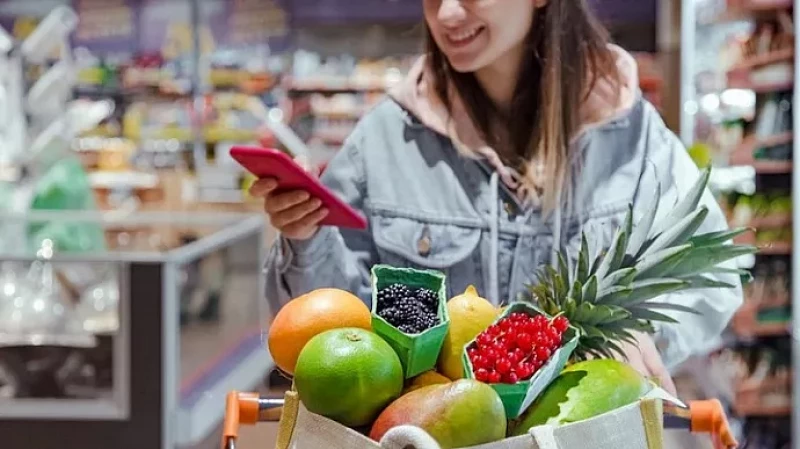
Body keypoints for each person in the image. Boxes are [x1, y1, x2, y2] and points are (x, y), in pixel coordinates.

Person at [251, 0, 743, 394]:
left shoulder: (631, 134)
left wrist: (643, 333)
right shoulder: (385, 137)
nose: (446, 14)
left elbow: (713, 274)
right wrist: (305, 236)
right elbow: (334, 328)